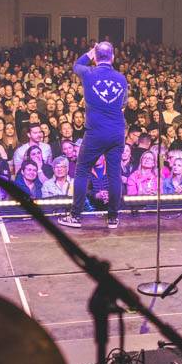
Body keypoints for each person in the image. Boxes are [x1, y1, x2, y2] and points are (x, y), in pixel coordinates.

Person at [60, 40, 127, 230]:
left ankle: (75, 217)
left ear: (96, 58)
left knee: (82, 171)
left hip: (95, 132)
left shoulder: (88, 73)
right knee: (115, 173)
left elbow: (76, 65)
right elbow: (123, 103)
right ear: (113, 58)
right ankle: (113, 218)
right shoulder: (121, 78)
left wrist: (90, 53)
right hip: (116, 132)